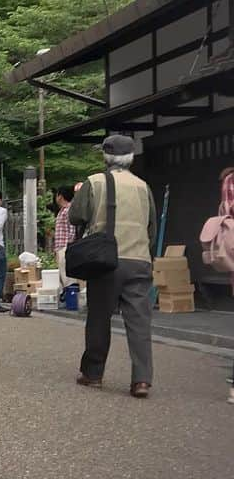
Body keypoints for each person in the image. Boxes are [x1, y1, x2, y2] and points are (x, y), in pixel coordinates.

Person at [68, 134, 156, 398]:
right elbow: (151, 227)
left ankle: (93, 373)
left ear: (105, 156)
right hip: (140, 259)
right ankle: (141, 380)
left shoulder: (95, 182)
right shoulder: (143, 186)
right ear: (131, 157)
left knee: (99, 316)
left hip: (106, 259)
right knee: (139, 321)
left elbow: (76, 216)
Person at [52, 185, 78, 293]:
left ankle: (71, 299)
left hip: (65, 247)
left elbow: (72, 229)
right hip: (60, 247)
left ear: (60, 196)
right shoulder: (62, 210)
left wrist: (69, 246)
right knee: (62, 276)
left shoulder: (68, 210)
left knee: (68, 278)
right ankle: (66, 298)